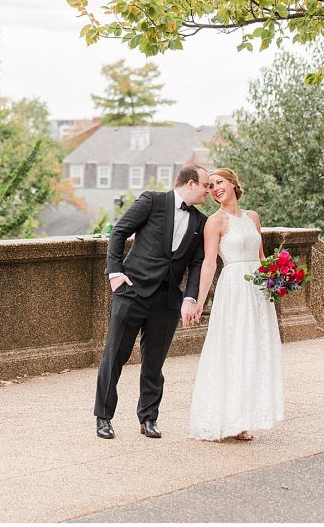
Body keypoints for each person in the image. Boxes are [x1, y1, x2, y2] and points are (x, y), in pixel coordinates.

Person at [94, 164, 211, 440]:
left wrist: (190, 297)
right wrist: (114, 273)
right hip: (132, 292)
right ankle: (104, 418)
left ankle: (148, 418)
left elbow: (196, 264)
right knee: (114, 357)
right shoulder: (153, 200)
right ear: (191, 184)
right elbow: (119, 232)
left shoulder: (201, 222)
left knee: (154, 363)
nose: (208, 191)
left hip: (167, 301)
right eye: (206, 185)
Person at [187, 168, 284, 441]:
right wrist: (198, 301)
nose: (215, 189)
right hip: (233, 288)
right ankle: (226, 417)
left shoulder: (252, 217)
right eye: (211, 187)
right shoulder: (215, 222)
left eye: (219, 183)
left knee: (254, 349)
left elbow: (262, 257)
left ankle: (244, 416)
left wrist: (279, 279)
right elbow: (208, 263)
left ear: (232, 184)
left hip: (257, 291)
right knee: (233, 348)